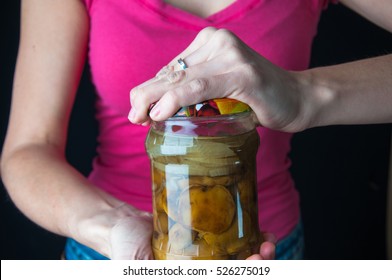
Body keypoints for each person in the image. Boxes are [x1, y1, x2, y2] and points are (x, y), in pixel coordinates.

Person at [0, 0, 390, 260]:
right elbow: (30, 148)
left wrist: (303, 94)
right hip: (109, 249)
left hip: (263, 252)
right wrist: (111, 225)